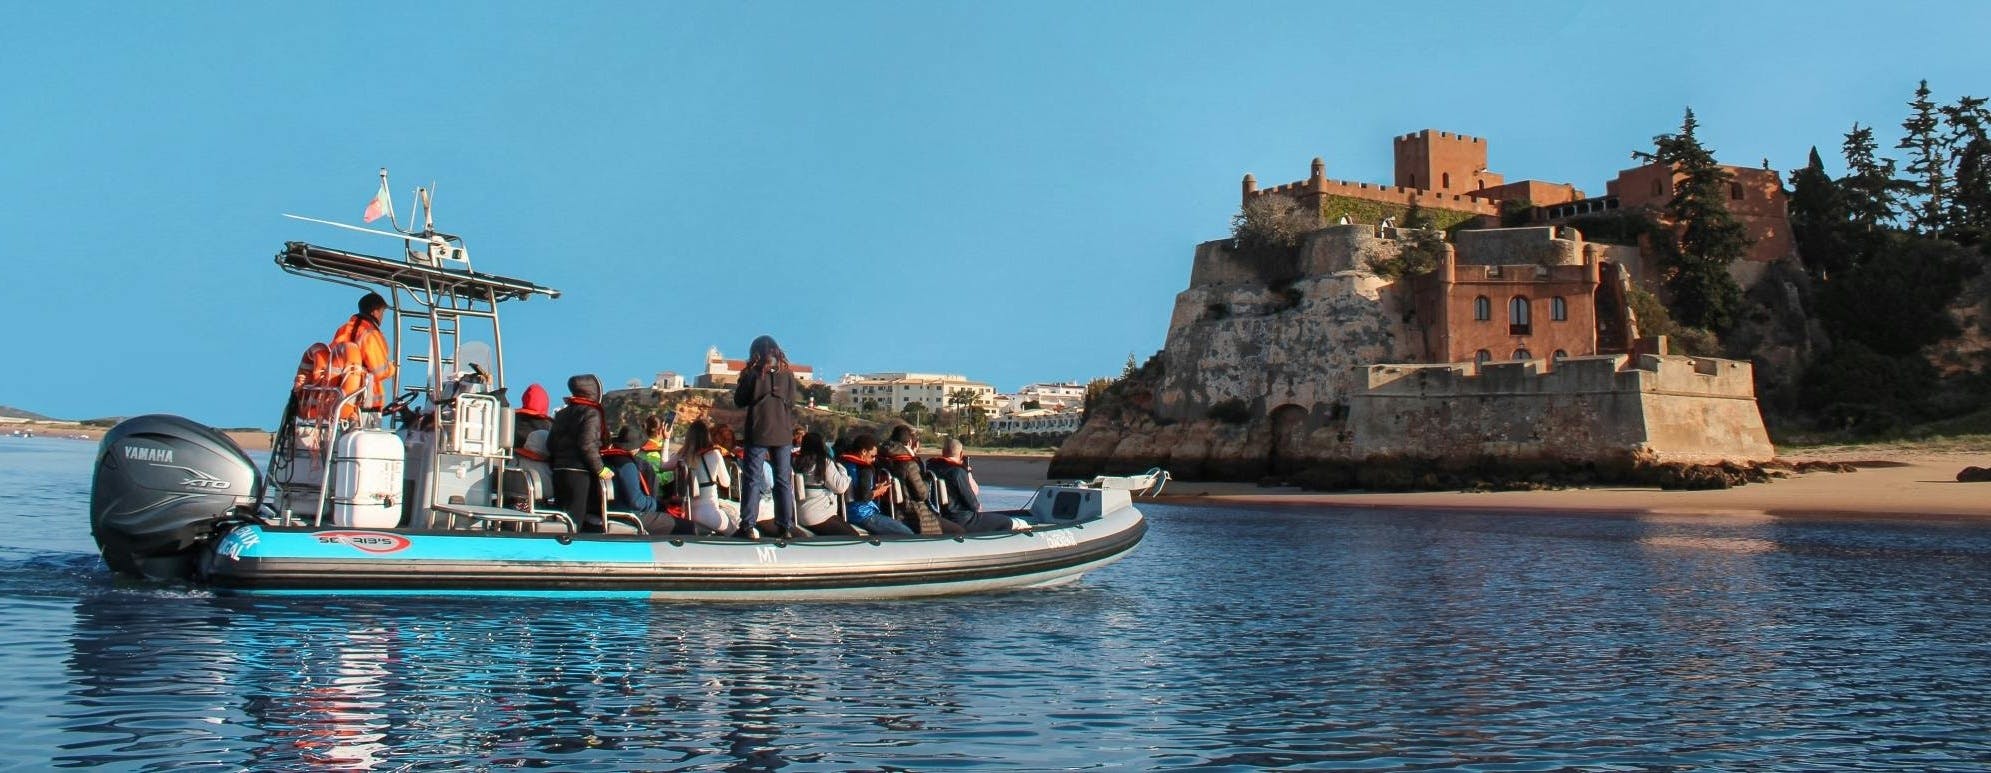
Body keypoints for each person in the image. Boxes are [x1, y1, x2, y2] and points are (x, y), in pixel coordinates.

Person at [732, 335, 801, 540]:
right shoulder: (787, 374)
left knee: (752, 479)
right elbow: (792, 402)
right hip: (783, 432)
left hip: (758, 430)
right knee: (783, 480)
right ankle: (785, 526)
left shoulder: (752, 374)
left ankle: (748, 525)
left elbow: (739, 400)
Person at [548, 374, 612, 531]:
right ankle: (571, 542)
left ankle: (557, 543)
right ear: (594, 391)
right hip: (579, 472)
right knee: (575, 519)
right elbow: (587, 444)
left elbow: (550, 443)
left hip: (558, 471)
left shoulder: (561, 414)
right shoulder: (591, 413)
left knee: (560, 516)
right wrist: (600, 469)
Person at [926, 437, 1027, 532]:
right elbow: (973, 502)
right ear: (961, 454)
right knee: (1010, 522)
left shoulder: (931, 468)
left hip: (942, 519)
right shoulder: (957, 472)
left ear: (943, 452)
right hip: (963, 520)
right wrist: (967, 472)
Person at [878, 425, 962, 535]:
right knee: (958, 531)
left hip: (887, 510)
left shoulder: (881, 459)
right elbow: (921, 494)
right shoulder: (908, 463)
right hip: (912, 514)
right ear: (909, 442)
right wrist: (927, 481)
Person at [328, 292, 397, 418]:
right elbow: (380, 371)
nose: (382, 317)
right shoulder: (370, 334)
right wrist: (392, 368)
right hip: (365, 403)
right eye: (382, 313)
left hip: (338, 400)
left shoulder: (343, 329)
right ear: (375, 313)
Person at [836, 434, 914, 536]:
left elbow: (856, 489)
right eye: (872, 456)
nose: (873, 460)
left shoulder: (843, 464)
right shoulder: (865, 469)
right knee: (908, 533)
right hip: (863, 515)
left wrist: (873, 488)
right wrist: (878, 492)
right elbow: (864, 496)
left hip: (845, 513)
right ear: (864, 452)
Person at [792, 432, 861, 536]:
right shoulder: (824, 462)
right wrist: (844, 473)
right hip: (819, 515)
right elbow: (840, 487)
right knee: (853, 536)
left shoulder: (796, 461)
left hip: (799, 514)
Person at [680, 420, 742, 536]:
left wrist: (667, 439)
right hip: (710, 514)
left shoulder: (684, 458)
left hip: (690, 514)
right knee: (745, 533)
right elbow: (726, 483)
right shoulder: (715, 454)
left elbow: (664, 465)